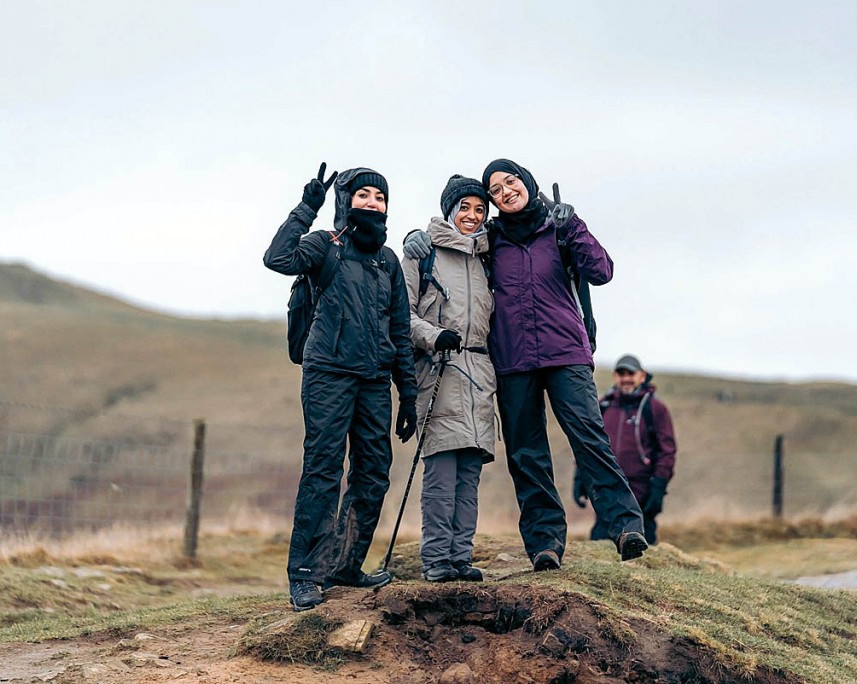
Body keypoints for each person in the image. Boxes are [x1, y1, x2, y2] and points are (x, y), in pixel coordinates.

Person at [404, 159, 647, 571]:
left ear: (527, 183)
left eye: (510, 182)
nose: (504, 192)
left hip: (565, 353)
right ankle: (545, 543)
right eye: (495, 190)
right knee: (526, 453)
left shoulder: (560, 228)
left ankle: (625, 526)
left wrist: (575, 226)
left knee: (590, 438)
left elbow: (601, 271)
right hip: (513, 360)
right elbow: (453, 243)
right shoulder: (490, 239)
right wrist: (417, 236)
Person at [264, 163, 418, 611]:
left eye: (380, 197)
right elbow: (277, 258)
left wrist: (406, 393)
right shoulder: (323, 245)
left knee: (373, 472)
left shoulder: (387, 261)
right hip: (328, 374)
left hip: (374, 380)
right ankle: (306, 575)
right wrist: (307, 206)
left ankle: (345, 565)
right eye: (363, 195)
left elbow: (401, 331)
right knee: (324, 471)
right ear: (345, 199)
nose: (373, 203)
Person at [401, 175, 496, 583]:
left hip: (480, 377)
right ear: (449, 210)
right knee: (441, 473)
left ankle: (461, 558)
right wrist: (433, 335)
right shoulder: (422, 255)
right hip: (438, 371)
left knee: (469, 475)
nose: (472, 217)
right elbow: (399, 316)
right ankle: (437, 560)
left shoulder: (488, 258)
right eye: (464, 208)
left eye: (479, 209)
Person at [573, 354, 677, 545]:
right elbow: (588, 446)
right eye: (621, 373)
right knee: (600, 548)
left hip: (642, 492)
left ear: (642, 376)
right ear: (615, 376)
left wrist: (659, 486)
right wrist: (580, 477)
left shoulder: (655, 408)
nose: (626, 378)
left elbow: (667, 451)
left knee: (642, 551)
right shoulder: (603, 406)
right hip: (607, 489)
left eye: (631, 373)